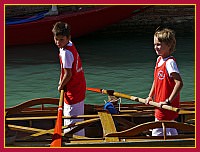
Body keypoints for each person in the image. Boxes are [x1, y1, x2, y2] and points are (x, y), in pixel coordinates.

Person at [146, 28, 183, 136]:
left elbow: (179, 83)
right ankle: (177, 141)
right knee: (169, 126)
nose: (155, 47)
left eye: (159, 44)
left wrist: (168, 101)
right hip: (159, 102)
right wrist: (150, 96)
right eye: (154, 44)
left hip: (165, 104)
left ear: (168, 45)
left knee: (158, 128)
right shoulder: (159, 60)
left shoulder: (170, 63)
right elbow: (156, 80)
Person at [52, 21, 86, 136]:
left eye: (61, 40)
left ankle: (76, 140)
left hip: (73, 90)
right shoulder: (70, 44)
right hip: (79, 86)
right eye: (56, 39)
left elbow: (68, 74)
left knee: (72, 121)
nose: (58, 42)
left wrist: (61, 85)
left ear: (68, 38)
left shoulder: (66, 52)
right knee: (77, 117)